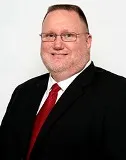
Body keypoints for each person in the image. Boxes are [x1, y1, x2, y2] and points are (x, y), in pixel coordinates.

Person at [0, 4, 126, 160]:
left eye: (68, 35)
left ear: (88, 41)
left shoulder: (119, 93)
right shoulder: (23, 92)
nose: (57, 45)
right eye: (50, 35)